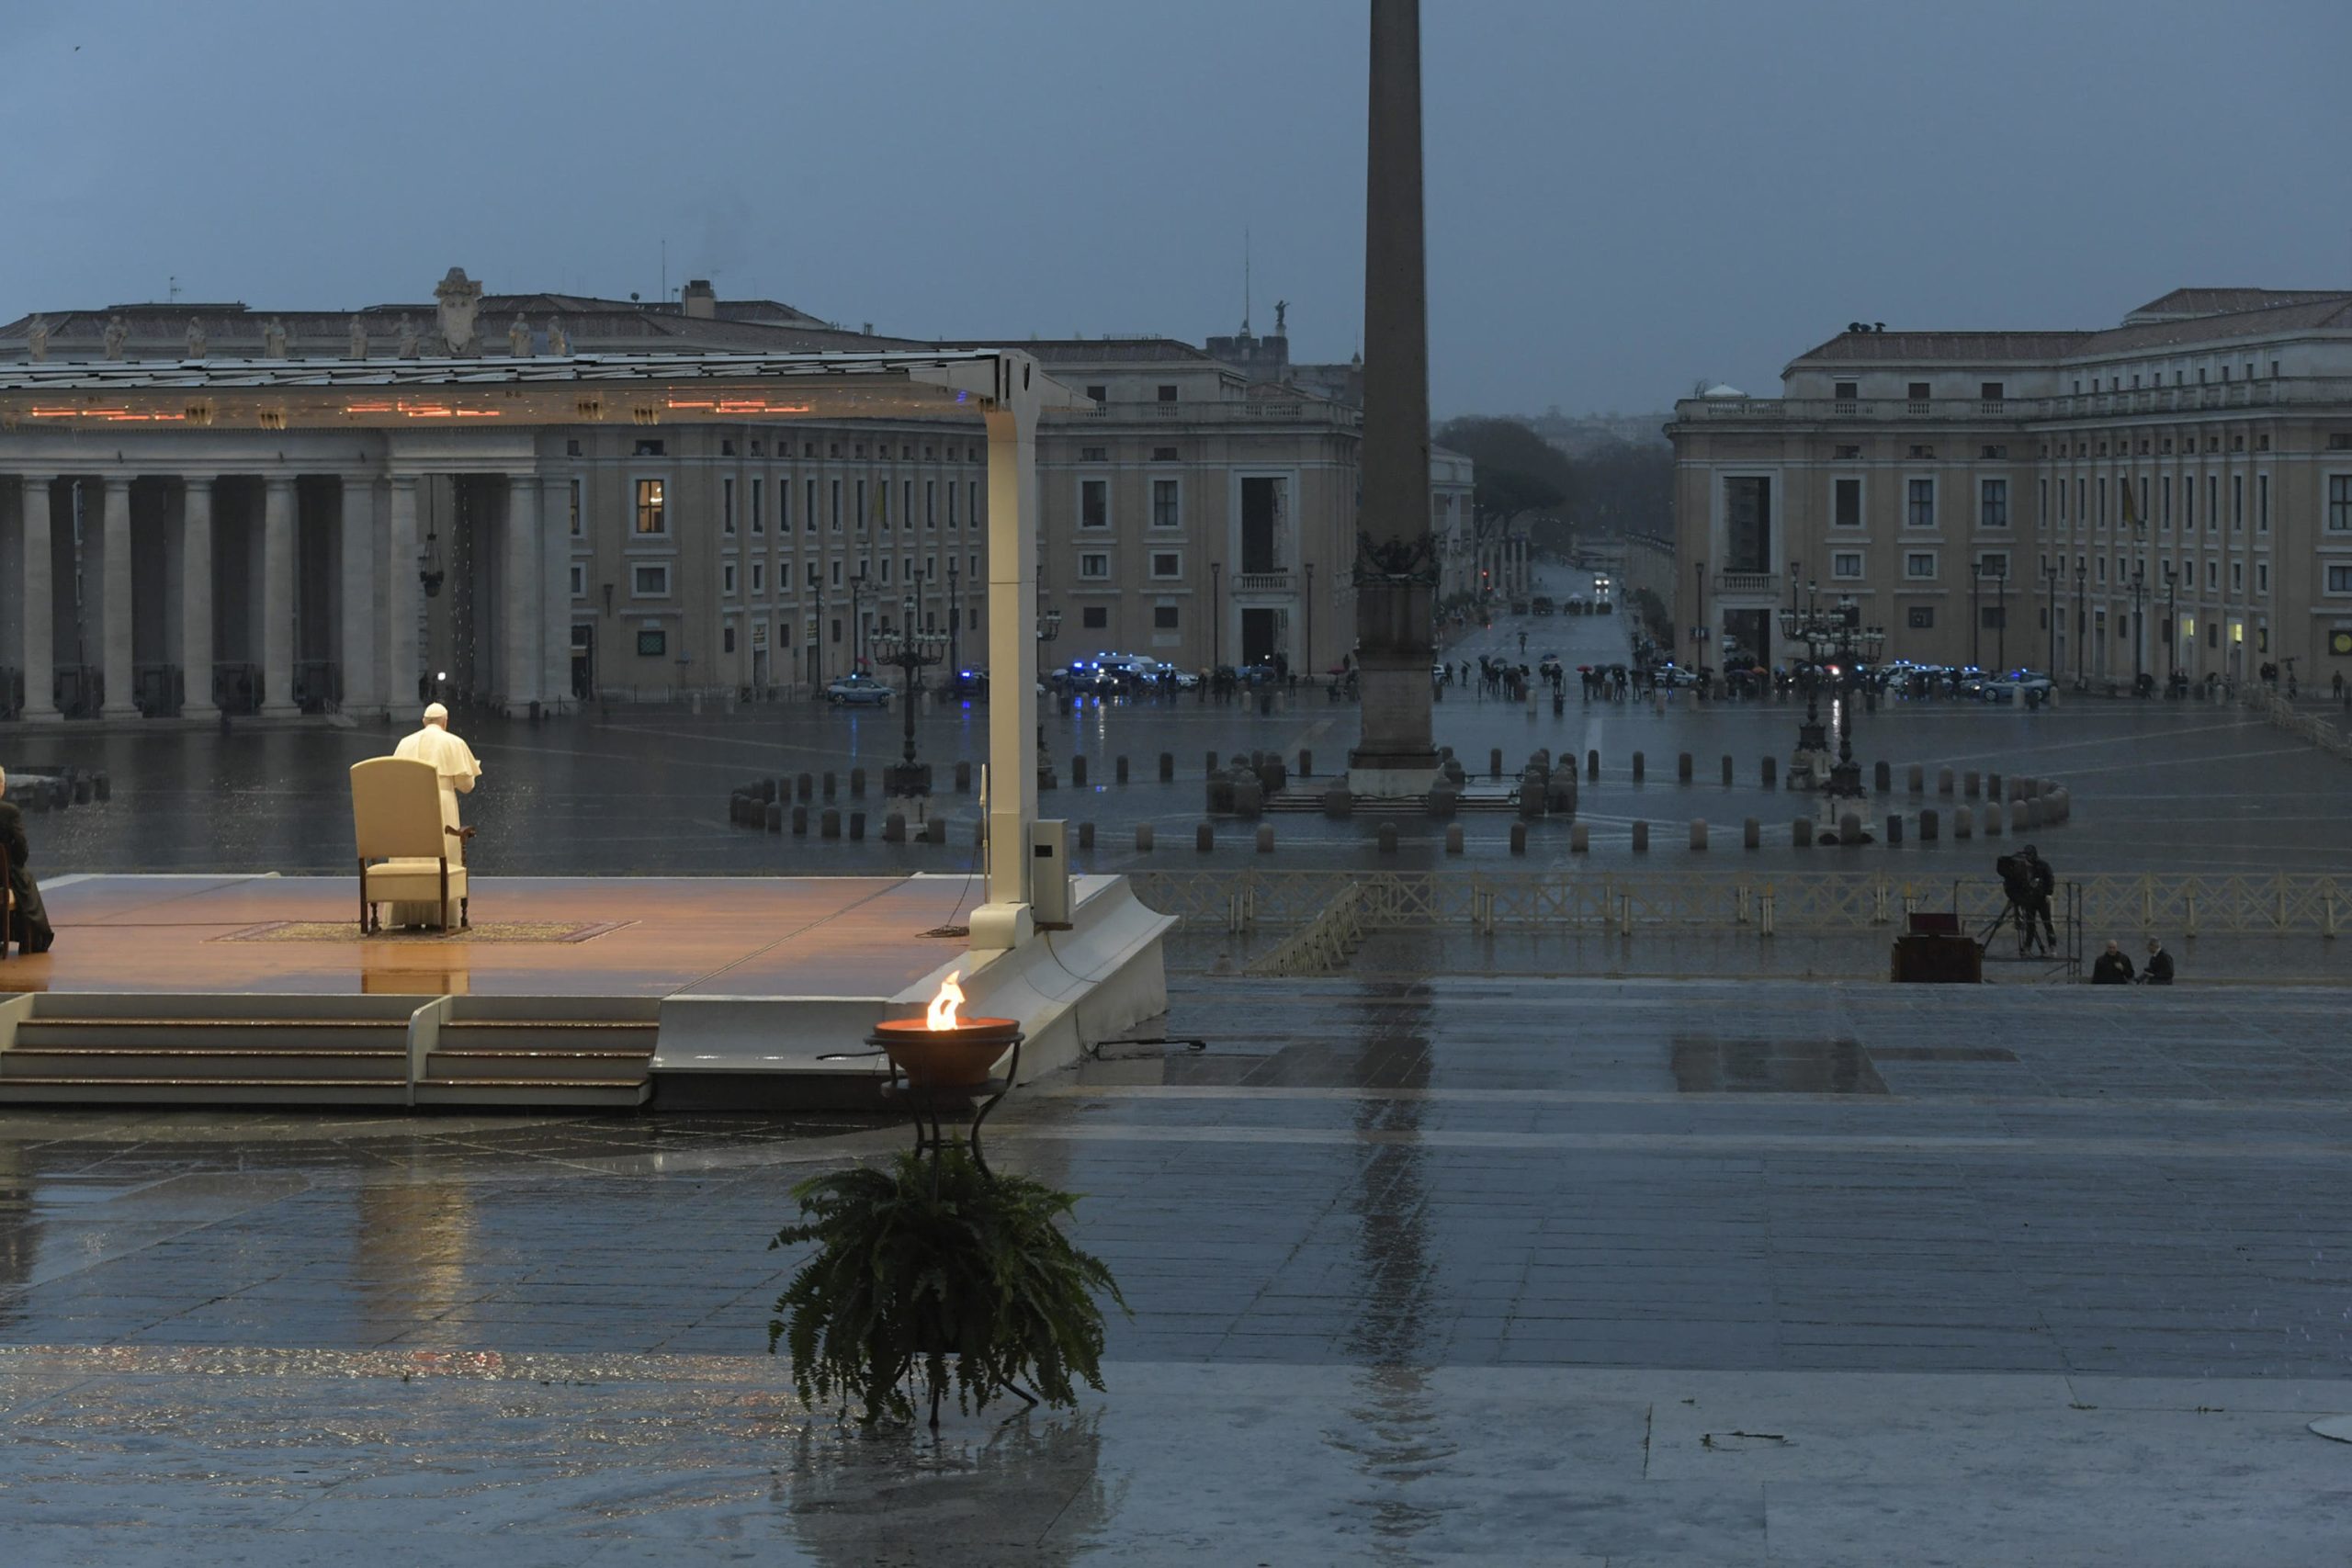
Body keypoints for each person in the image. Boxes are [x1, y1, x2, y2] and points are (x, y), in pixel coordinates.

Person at [389, 703, 481, 927]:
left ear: (423, 721)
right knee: (441, 856)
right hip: (442, 802)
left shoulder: (404, 743)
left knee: (411, 859)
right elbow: (467, 785)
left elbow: (395, 779)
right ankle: (440, 917)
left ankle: (409, 916)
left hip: (409, 805)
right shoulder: (454, 742)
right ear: (445, 721)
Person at [0, 767, 55, 954]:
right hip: (3, 875)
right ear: (1, 786)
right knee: (25, 881)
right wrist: (17, 861)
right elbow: (21, 845)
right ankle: (32, 939)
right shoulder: (9, 811)